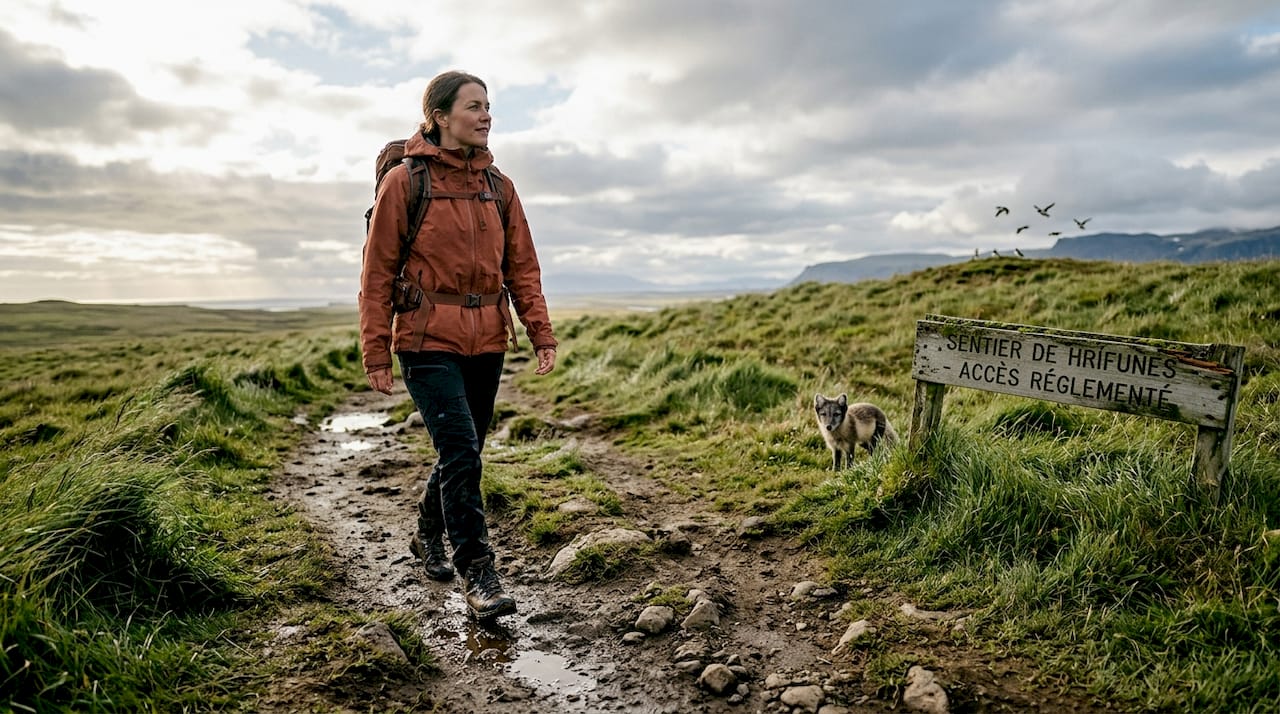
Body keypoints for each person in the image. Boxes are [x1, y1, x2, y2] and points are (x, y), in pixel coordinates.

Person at [358, 70, 557, 620]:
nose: (486, 115)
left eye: (489, 106)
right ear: (440, 117)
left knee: (463, 450)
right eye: (474, 106)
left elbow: (523, 268)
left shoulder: (500, 187)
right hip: (426, 340)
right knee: (461, 450)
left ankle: (427, 531)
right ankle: (478, 573)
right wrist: (377, 351)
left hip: (488, 338)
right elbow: (377, 274)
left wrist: (540, 331)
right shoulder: (406, 182)